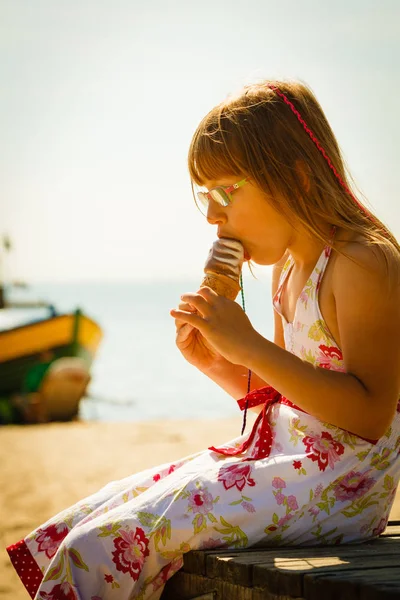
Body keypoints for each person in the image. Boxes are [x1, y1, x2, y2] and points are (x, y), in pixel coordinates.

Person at [7, 80, 400, 600]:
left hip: (341, 488)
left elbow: (370, 414)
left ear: (297, 178)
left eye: (223, 193)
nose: (212, 216)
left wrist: (251, 344)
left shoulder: (361, 262)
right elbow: (295, 397)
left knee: (105, 544)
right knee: (94, 515)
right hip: (285, 459)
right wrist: (218, 363)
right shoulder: (288, 269)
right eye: (203, 196)